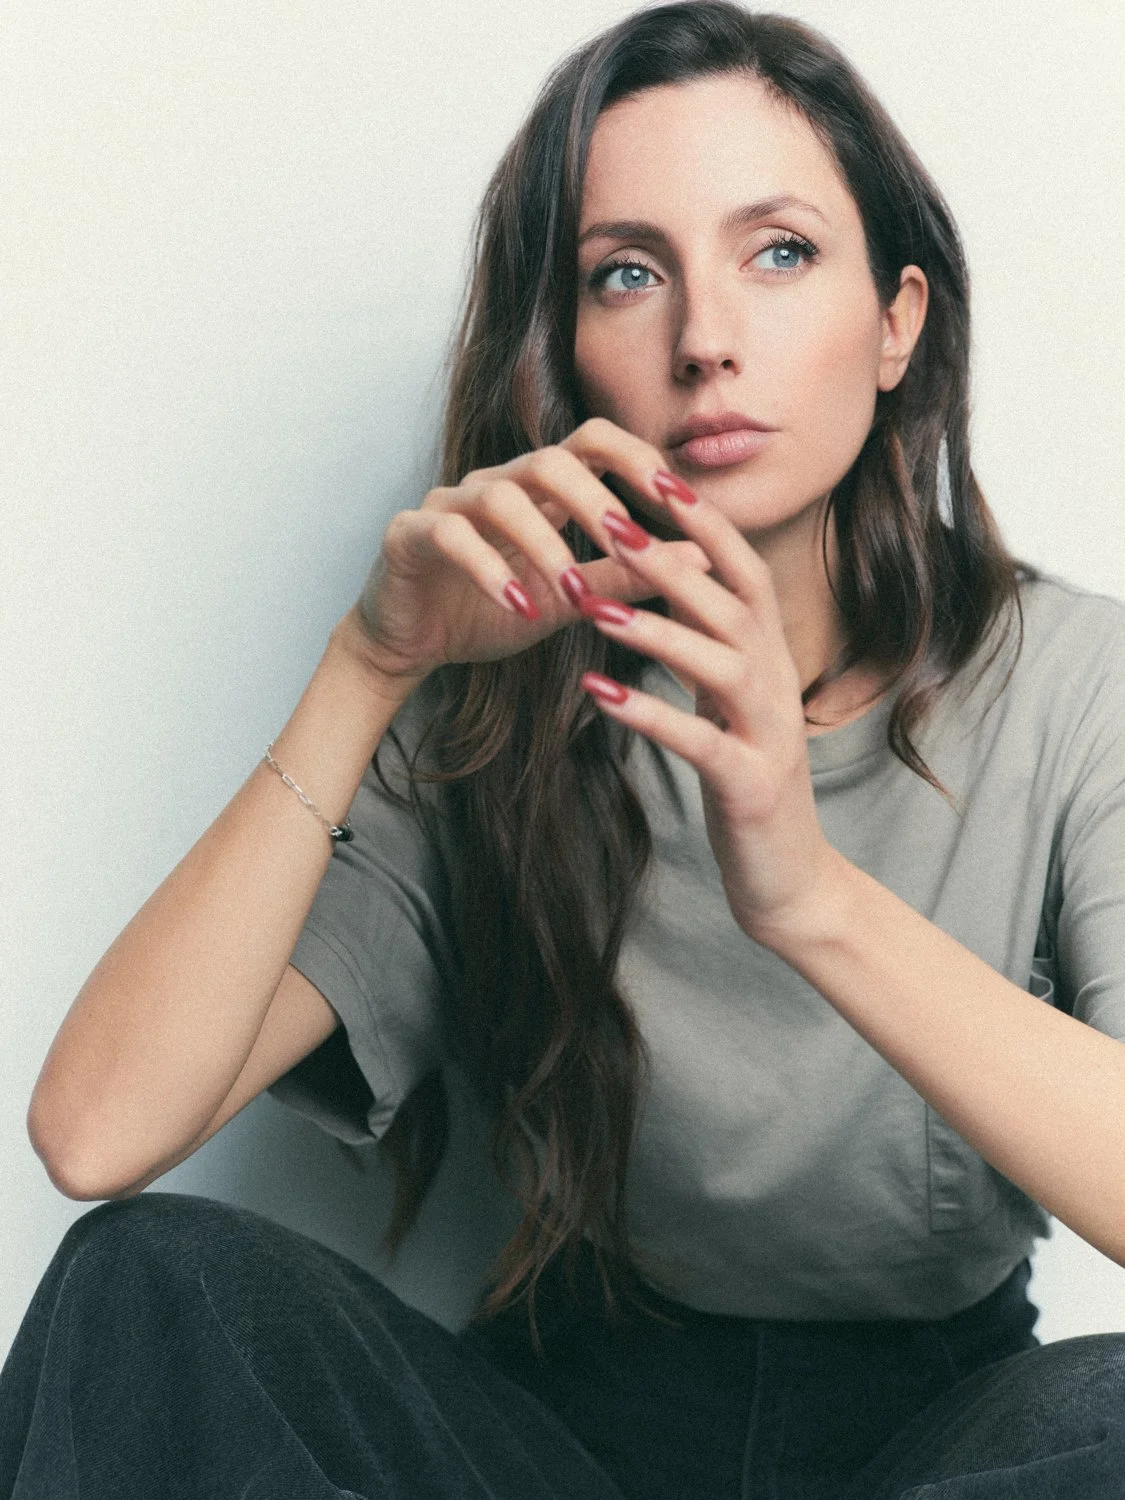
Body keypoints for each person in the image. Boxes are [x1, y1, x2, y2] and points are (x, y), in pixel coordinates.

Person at [4, 2, 1125, 1495]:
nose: (707, 340)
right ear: (573, 346)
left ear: (898, 321)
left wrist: (803, 898)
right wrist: (369, 662)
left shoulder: (1076, 681)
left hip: (943, 1439)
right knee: (147, 1277)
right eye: (628, 274)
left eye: (778, 252)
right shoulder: (499, 697)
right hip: (564, 1433)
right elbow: (97, 1130)